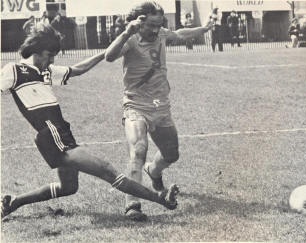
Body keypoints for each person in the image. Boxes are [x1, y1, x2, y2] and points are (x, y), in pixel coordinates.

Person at [0, 23, 179, 220]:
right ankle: (161, 199)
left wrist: (105, 53)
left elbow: (77, 69)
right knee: (108, 171)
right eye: (48, 55)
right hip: (54, 137)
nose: (51, 60)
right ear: (35, 50)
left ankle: (13, 202)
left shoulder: (45, 71)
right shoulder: (14, 70)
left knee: (68, 187)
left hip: (60, 134)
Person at [105, 1, 213, 221]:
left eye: (159, 24)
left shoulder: (161, 34)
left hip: (160, 106)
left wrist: (204, 28)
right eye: (151, 25)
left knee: (171, 154)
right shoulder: (131, 40)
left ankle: (153, 172)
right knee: (138, 149)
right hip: (135, 105)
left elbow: (180, 34)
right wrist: (127, 32)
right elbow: (109, 55)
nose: (156, 29)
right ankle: (132, 204)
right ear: (139, 22)